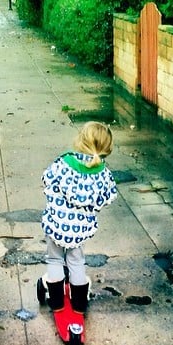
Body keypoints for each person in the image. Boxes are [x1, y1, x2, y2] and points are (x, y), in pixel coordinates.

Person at [40, 121, 118, 314]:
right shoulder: (103, 174)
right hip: (80, 229)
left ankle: (57, 303)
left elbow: (46, 179)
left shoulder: (64, 163)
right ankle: (79, 305)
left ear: (80, 140)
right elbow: (109, 197)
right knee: (76, 262)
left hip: (57, 224)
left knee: (55, 260)